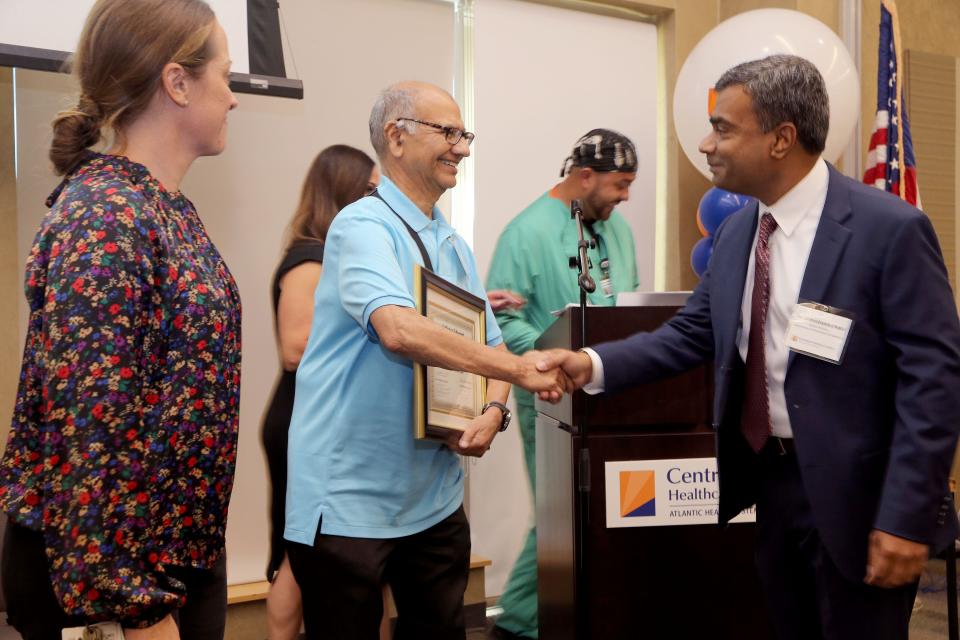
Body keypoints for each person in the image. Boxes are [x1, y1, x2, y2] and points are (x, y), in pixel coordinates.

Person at [537, 54, 960, 640]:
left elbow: (933, 382)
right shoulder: (740, 231)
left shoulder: (889, 228)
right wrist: (591, 363)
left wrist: (906, 519)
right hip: (772, 488)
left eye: (724, 128)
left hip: (864, 502)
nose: (708, 144)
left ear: (782, 139)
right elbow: (692, 333)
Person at [282, 81, 567, 640]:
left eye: (465, 135)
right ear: (396, 136)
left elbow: (494, 345)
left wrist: (494, 412)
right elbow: (397, 328)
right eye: (449, 132)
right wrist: (515, 374)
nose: (462, 147)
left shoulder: (453, 244)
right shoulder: (362, 226)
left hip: (433, 500)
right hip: (349, 502)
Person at [0, 0, 240, 639]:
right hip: (116, 586)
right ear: (178, 82)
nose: (235, 97)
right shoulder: (107, 215)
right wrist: (135, 608)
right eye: (226, 74)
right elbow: (92, 425)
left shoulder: (163, 208)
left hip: (170, 558)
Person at [485, 129, 639, 639]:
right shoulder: (525, 233)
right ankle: (521, 622)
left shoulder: (618, 231)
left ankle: (563, 616)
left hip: (610, 390)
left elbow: (629, 307)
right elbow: (501, 324)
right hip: (550, 396)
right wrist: (557, 355)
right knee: (560, 512)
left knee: (597, 515)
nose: (625, 197)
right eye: (619, 185)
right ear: (584, 176)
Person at [261, 145, 379, 640]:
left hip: (322, 420)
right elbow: (294, 348)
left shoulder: (334, 257)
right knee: (296, 556)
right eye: (370, 190)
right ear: (345, 194)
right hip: (303, 422)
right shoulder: (310, 259)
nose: (378, 199)